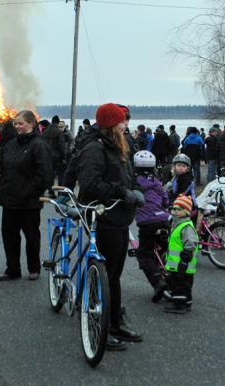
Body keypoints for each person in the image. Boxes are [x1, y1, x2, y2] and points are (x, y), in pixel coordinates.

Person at [76, 102, 145, 351]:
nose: (126, 124)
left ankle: (115, 322)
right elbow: (90, 184)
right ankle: (101, 326)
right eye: (121, 121)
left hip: (120, 218)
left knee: (114, 276)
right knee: (105, 275)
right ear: (110, 125)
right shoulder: (95, 150)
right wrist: (122, 192)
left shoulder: (120, 148)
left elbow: (129, 176)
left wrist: (136, 189)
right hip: (103, 218)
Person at [0, 111, 54, 281]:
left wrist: (30, 192)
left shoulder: (38, 145)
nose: (17, 126)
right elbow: (3, 169)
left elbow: (44, 174)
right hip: (9, 201)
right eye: (15, 123)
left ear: (31, 124)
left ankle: (33, 268)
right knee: (9, 237)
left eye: (20, 123)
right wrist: (0, 189)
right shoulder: (10, 145)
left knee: (31, 236)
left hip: (29, 202)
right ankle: (12, 268)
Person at [133, 150, 170, 302]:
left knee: (144, 254)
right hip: (164, 219)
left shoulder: (134, 183)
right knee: (164, 248)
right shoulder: (156, 182)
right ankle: (169, 274)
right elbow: (165, 199)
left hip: (147, 222)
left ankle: (157, 282)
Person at [164, 194, 199, 314]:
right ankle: (187, 303)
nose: (175, 212)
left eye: (179, 209)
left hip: (182, 264)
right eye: (174, 209)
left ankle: (179, 306)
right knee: (182, 284)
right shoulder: (177, 224)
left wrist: (184, 260)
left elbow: (190, 245)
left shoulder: (186, 227)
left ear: (187, 211)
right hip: (177, 264)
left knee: (180, 285)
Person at [43, 115, 69, 187]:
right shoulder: (59, 132)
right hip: (57, 157)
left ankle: (50, 190)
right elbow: (62, 146)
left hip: (47, 157)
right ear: (57, 123)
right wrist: (64, 157)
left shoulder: (45, 131)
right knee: (61, 174)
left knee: (50, 174)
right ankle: (60, 191)